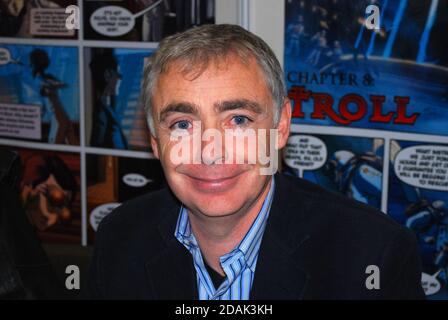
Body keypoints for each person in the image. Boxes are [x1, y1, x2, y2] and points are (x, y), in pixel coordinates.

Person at [86, 24, 425, 300]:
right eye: (182, 124)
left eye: (238, 120)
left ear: (280, 127)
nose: (210, 150)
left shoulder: (373, 255)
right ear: (156, 143)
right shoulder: (120, 237)